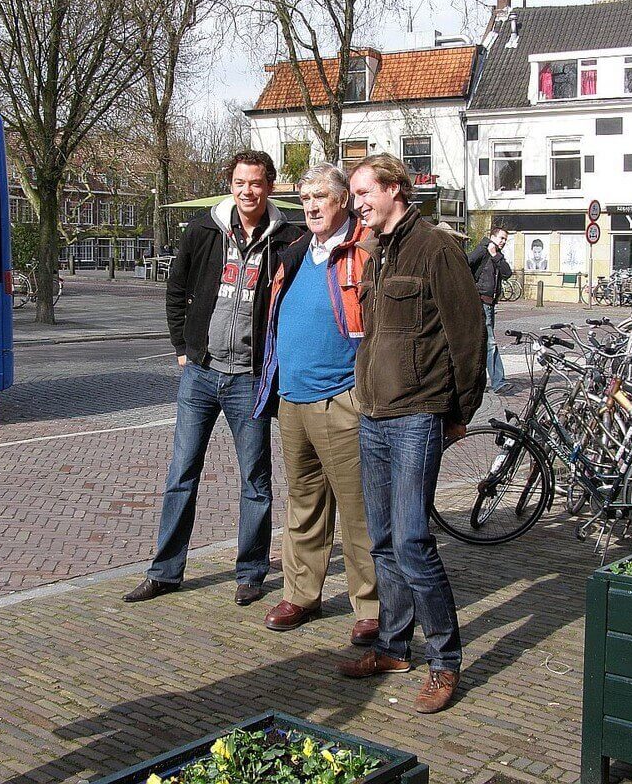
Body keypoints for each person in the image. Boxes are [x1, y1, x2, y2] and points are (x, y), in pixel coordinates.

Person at [337, 154, 486, 714]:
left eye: (363, 193)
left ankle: (445, 661)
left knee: (413, 542)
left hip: (417, 414)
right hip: (372, 414)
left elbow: (467, 334)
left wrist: (460, 410)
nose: (357, 205)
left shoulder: (436, 248)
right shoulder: (376, 253)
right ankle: (394, 647)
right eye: (353, 196)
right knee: (381, 542)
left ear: (394, 188)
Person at [124, 150, 303, 606]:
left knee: (255, 480)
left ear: (270, 186)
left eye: (257, 183)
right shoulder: (204, 230)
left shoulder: (288, 239)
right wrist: (183, 349)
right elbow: (177, 289)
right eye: (240, 182)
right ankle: (165, 571)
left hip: (249, 378)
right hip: (200, 375)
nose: (248, 191)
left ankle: (251, 572)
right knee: (181, 474)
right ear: (231, 184)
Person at [252, 163, 378, 644]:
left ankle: (372, 605)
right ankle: (302, 595)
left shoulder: (364, 249)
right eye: (304, 198)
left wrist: (362, 390)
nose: (311, 206)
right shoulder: (295, 250)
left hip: (342, 400)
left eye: (320, 196)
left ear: (343, 199)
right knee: (303, 504)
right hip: (292, 399)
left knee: (358, 508)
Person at [468, 226, 513, 394]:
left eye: (505, 240)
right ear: (492, 236)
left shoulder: (496, 254)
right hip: (481, 303)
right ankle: (498, 382)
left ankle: (474, 382)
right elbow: (466, 263)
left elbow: (507, 273)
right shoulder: (482, 249)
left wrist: (495, 255)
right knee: (490, 343)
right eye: (501, 238)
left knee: (482, 343)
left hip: (490, 304)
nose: (503, 242)